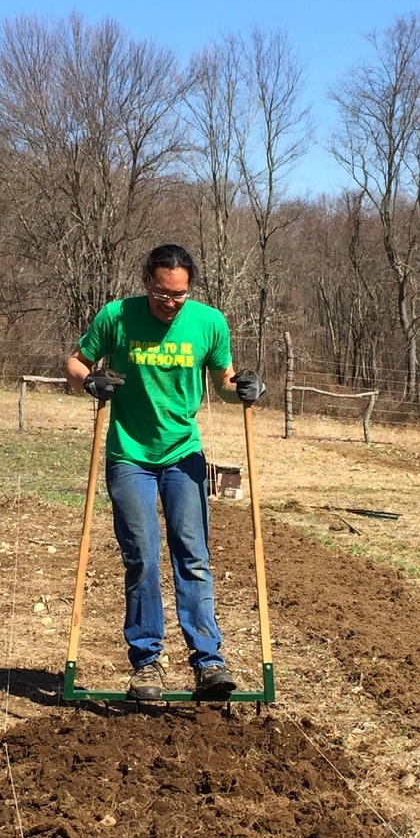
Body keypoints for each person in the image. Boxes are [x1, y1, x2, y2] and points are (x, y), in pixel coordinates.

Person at [65, 243, 265, 701]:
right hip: (129, 456)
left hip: (183, 456)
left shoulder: (209, 323)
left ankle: (209, 662)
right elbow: (76, 362)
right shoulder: (116, 316)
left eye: (179, 295)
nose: (169, 303)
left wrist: (248, 389)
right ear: (146, 283)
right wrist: (88, 381)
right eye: (161, 293)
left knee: (192, 555)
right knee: (142, 557)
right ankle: (147, 665)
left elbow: (227, 382)